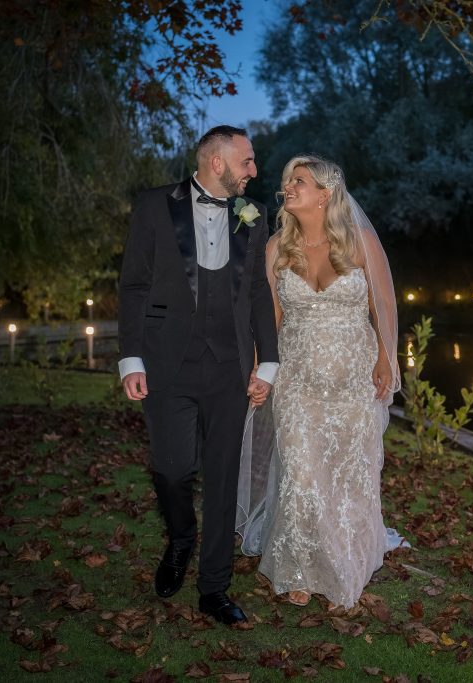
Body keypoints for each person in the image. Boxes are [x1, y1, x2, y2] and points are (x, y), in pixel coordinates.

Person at [117, 125, 278, 625]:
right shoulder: (152, 205)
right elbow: (134, 286)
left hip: (229, 366)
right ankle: (180, 537)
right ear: (217, 162)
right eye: (247, 161)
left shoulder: (254, 216)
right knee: (170, 468)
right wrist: (131, 358)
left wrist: (267, 362)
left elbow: (255, 293)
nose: (254, 170)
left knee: (225, 474)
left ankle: (214, 588)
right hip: (168, 363)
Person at [238, 155, 403, 609]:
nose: (287, 187)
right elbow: (267, 318)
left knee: (349, 473)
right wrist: (259, 367)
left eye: (300, 181)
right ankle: (299, 566)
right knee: (301, 472)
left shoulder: (360, 241)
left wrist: (387, 361)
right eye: (288, 180)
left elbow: (383, 307)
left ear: (325, 194)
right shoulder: (276, 248)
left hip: (353, 376)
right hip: (296, 377)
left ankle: (343, 565)